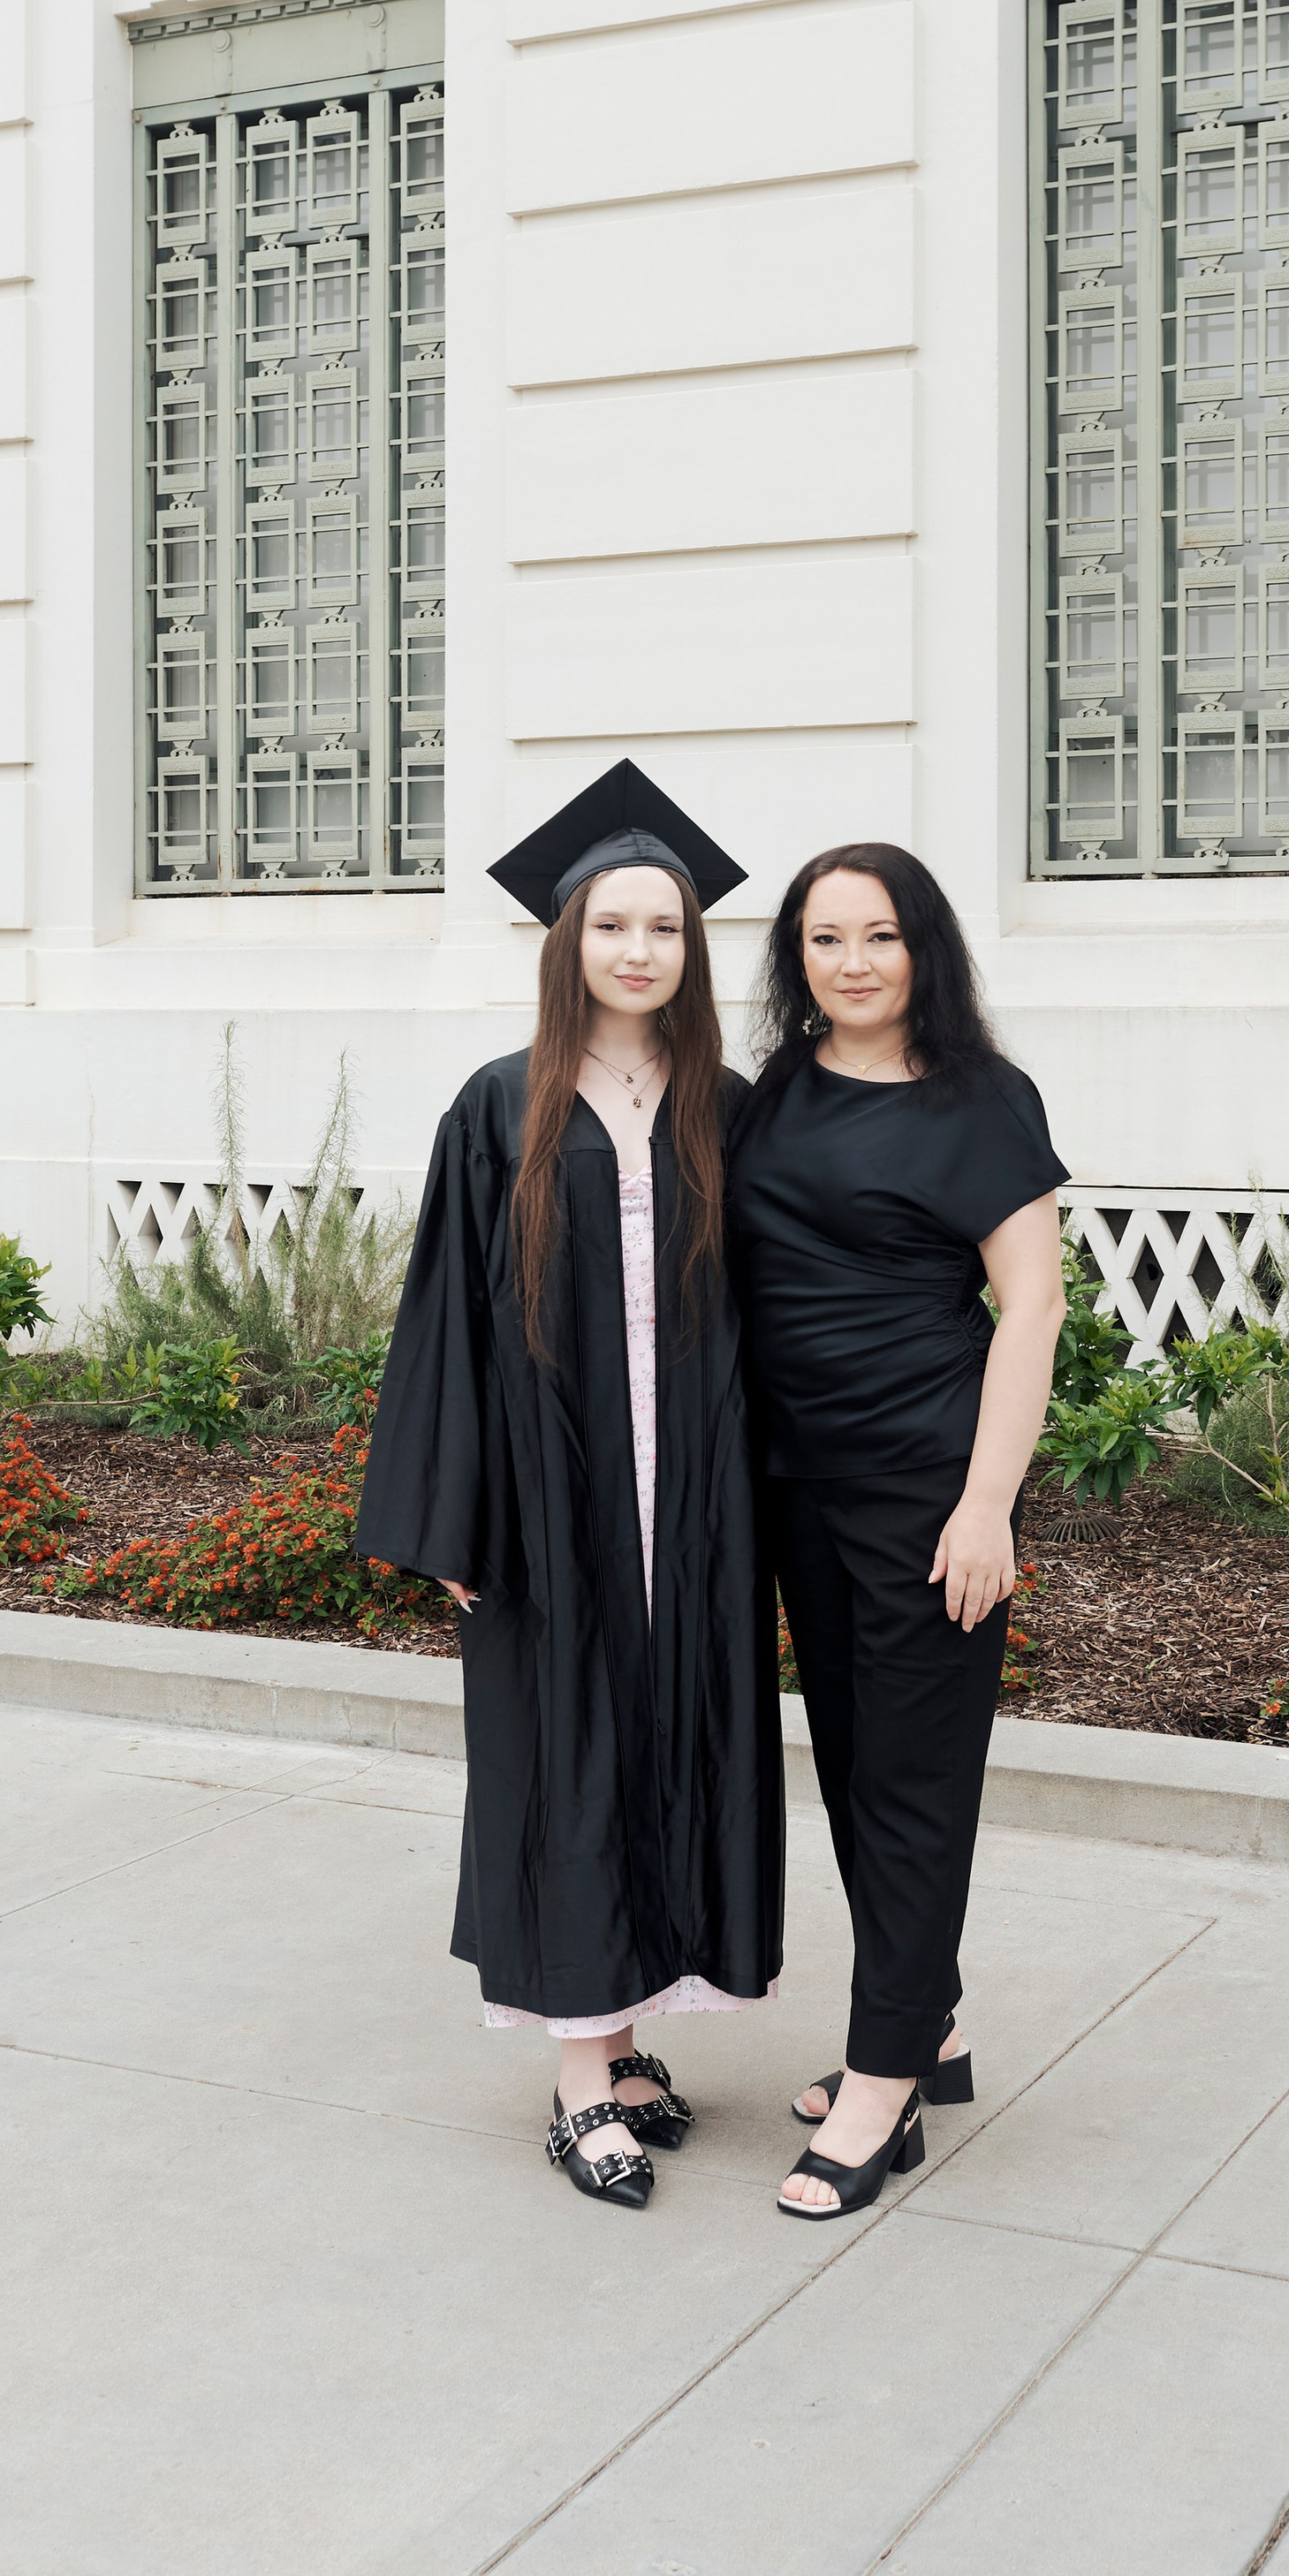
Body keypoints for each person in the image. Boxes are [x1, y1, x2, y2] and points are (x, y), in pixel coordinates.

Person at [355, 761, 784, 2214]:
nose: (639, 951)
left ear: (691, 949)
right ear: (568, 941)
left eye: (663, 928)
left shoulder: (727, 1102)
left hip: (703, 1510)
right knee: (568, 1758)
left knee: (673, 1747)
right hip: (552, 1509)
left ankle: (633, 2029)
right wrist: (458, 1518)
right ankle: (579, 2081)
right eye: (613, 926)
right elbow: (447, 1327)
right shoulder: (499, 1108)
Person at [728, 843, 1067, 2222]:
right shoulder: (773, 1096)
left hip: (931, 1491)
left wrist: (988, 1503)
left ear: (925, 948)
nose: (852, 962)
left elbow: (1031, 1312)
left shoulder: (985, 1103)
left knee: (918, 1786)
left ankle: (883, 2085)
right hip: (795, 1484)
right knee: (858, 1773)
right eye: (824, 939)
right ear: (794, 957)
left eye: (879, 935)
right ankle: (928, 2025)